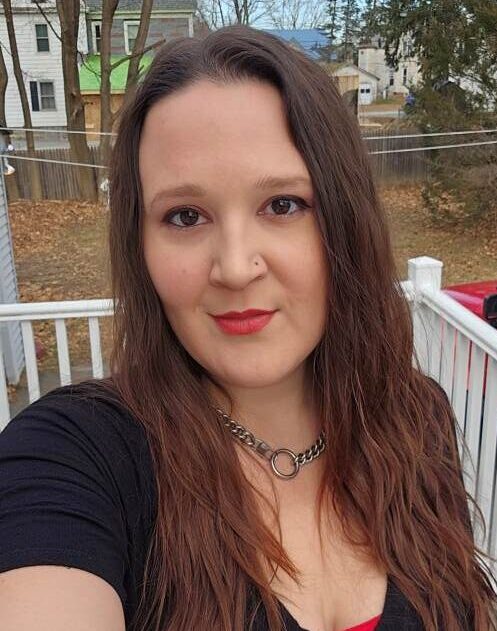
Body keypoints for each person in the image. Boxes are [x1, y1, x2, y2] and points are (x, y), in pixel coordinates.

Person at [0, 25, 495, 631]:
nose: (235, 268)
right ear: (141, 244)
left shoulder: (416, 419)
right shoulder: (78, 456)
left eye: (282, 205)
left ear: (345, 222)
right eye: (185, 215)